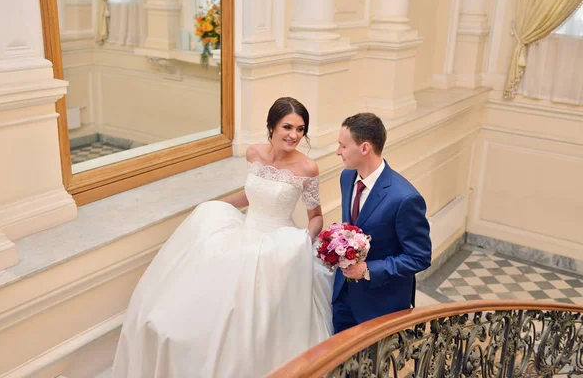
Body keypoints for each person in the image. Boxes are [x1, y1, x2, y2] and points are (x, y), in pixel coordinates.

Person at [112, 97, 334, 378]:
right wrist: (214, 205)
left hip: (277, 243)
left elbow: (316, 216)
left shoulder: (307, 168)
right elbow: (251, 194)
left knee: (257, 317)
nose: (294, 135)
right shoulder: (254, 153)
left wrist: (303, 241)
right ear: (271, 126)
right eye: (287, 127)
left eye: (300, 129)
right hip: (244, 231)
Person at [333, 112, 432, 333]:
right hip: (342, 297)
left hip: (378, 306)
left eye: (343, 146)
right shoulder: (346, 177)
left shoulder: (405, 198)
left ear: (364, 148)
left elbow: (420, 257)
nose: (338, 151)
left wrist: (368, 269)